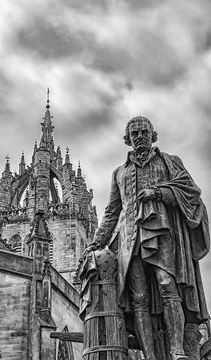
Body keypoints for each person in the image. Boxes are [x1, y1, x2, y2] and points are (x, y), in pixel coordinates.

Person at [85, 116, 210, 360]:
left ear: (153, 135)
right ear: (127, 139)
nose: (139, 136)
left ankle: (177, 351)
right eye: (134, 134)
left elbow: (190, 191)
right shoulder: (119, 173)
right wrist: (97, 242)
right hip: (129, 239)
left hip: (162, 233)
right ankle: (151, 356)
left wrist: (160, 192)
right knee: (138, 298)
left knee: (167, 286)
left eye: (144, 132)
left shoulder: (170, 161)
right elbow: (112, 211)